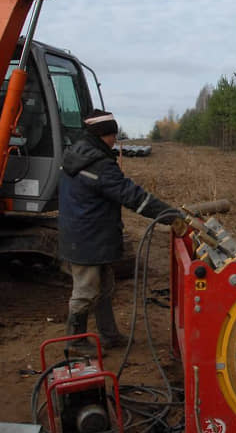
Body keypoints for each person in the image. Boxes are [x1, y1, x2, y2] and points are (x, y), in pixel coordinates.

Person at [58, 109, 178, 352]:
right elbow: (132, 195)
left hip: (86, 232)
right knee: (86, 289)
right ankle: (75, 340)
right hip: (87, 236)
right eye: (112, 134)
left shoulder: (79, 154)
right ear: (102, 134)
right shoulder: (97, 164)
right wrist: (169, 215)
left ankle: (109, 334)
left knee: (104, 286)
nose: (115, 139)